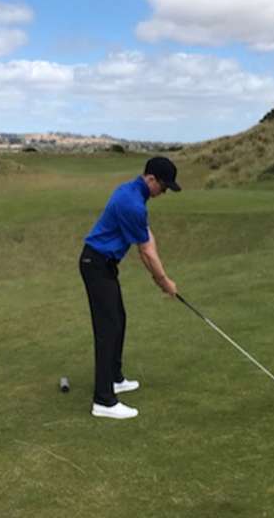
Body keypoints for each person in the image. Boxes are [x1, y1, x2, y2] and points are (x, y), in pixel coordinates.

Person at [79, 156, 181, 419]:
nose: (164, 192)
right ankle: (103, 401)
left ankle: (114, 378)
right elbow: (145, 251)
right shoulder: (132, 203)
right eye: (163, 186)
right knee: (107, 329)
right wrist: (164, 282)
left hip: (104, 265)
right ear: (150, 179)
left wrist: (161, 277)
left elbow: (146, 236)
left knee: (118, 320)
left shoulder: (133, 192)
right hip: (96, 265)